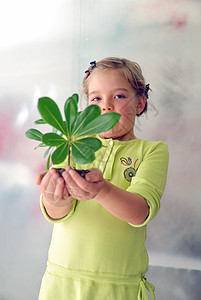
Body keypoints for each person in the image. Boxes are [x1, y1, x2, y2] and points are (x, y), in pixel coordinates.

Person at [35, 57, 169, 300]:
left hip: (118, 288)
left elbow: (140, 212)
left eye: (118, 96)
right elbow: (59, 214)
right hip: (61, 281)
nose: (105, 105)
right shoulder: (71, 144)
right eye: (96, 98)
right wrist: (54, 198)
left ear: (140, 103)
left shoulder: (152, 151)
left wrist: (102, 191)